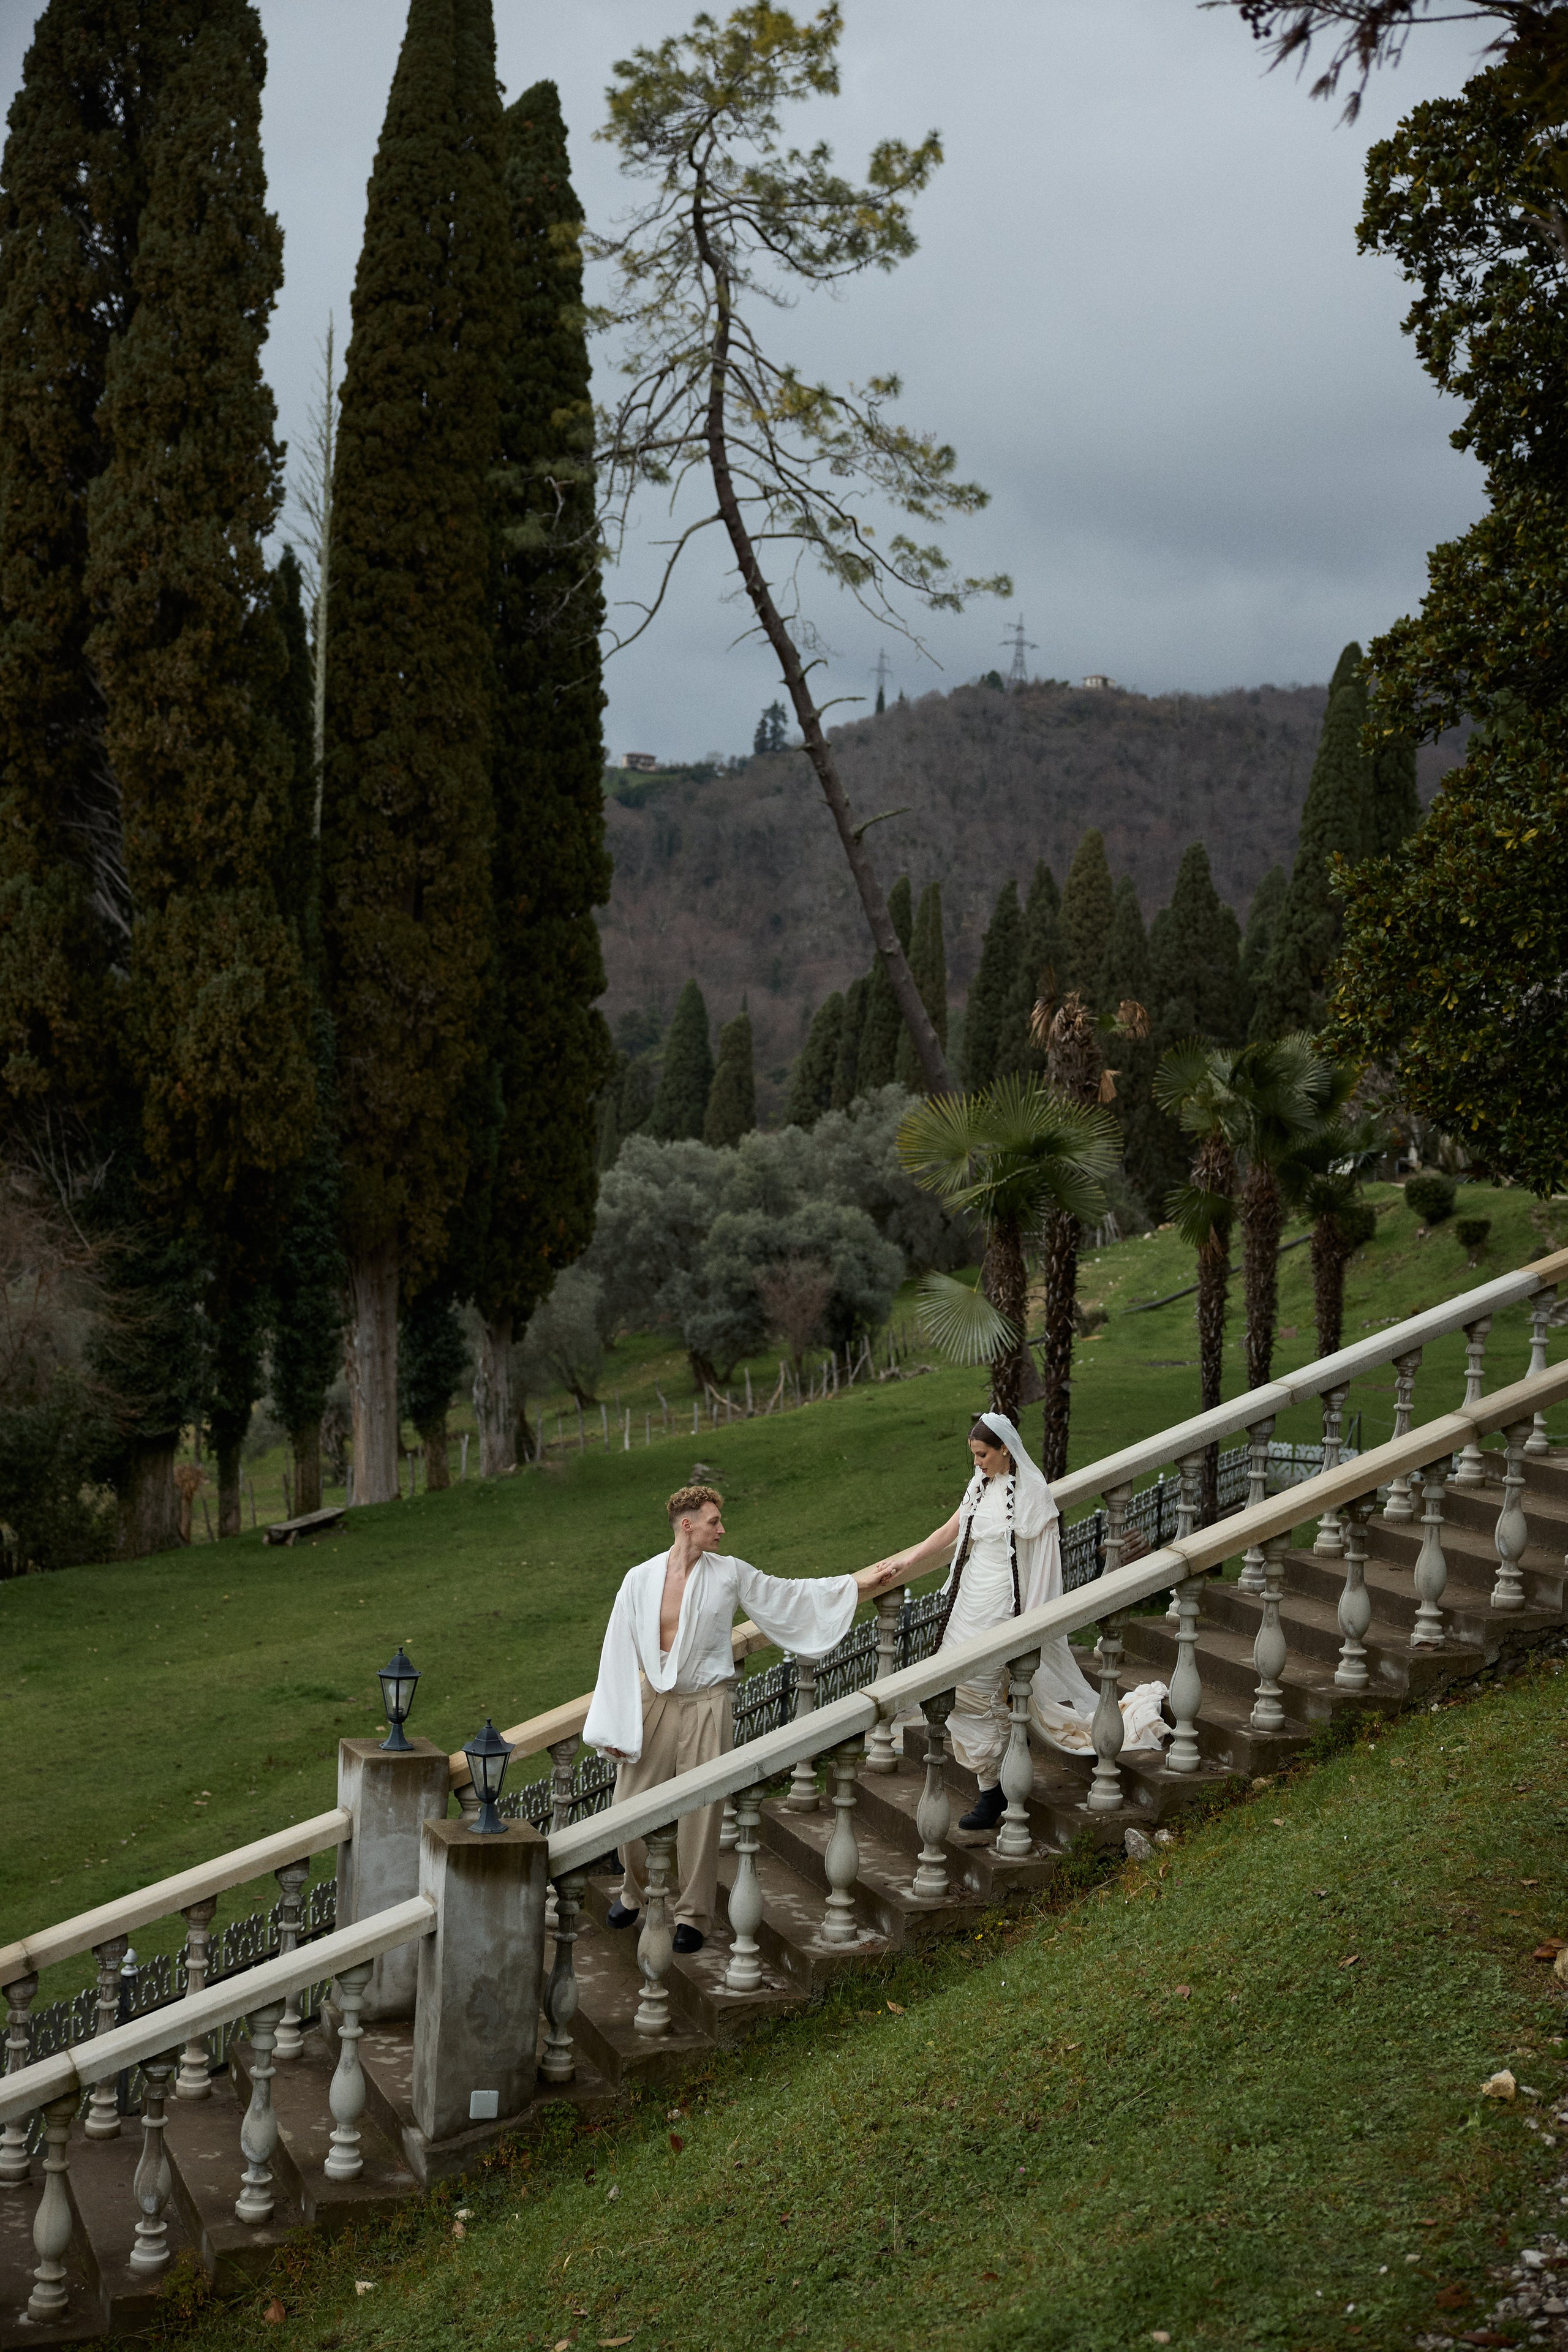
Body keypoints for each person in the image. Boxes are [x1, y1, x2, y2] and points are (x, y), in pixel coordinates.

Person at [583, 1482, 898, 1952]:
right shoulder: (640, 1579)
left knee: (702, 1814)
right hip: (655, 1703)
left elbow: (787, 1596)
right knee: (627, 1807)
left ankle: (693, 1914)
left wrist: (857, 1584)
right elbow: (617, 1651)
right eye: (714, 1522)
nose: (722, 1530)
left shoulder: (729, 1574)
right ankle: (634, 1890)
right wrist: (610, 1725)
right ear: (687, 1525)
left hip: (709, 1704)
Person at [867, 1411, 1169, 1831]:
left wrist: (1033, 1623)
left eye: (982, 1454)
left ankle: (993, 1794)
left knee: (982, 1695)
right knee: (951, 1694)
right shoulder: (979, 1485)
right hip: (966, 1603)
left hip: (1000, 1609)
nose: (977, 1463)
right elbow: (950, 1530)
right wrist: (906, 1561)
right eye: (974, 1455)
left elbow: (1045, 1565)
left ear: (1005, 1448)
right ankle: (992, 1776)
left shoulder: (1032, 1496)